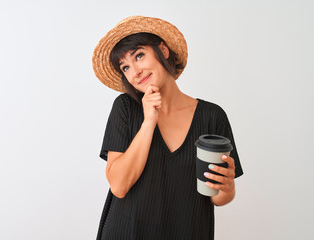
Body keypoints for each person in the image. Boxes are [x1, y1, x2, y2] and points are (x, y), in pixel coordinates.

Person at [92, 16, 243, 240]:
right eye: (125, 67)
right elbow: (119, 186)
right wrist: (148, 122)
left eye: (139, 56)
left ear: (163, 50)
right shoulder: (125, 108)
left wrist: (227, 187)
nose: (135, 72)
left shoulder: (212, 116)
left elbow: (217, 196)